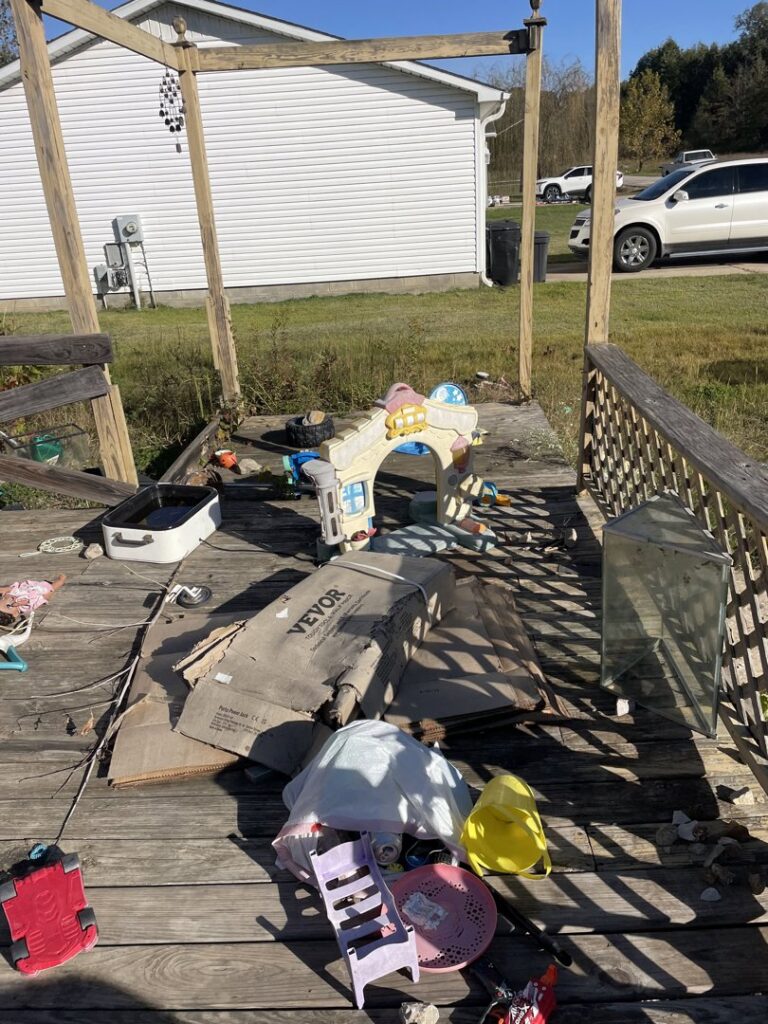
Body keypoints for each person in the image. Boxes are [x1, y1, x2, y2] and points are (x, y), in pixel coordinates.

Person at [0, 574, 66, 626]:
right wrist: (23, 602)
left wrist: (6, 590)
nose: (8, 602)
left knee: (5, 589)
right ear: (15, 614)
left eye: (1, 600)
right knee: (51, 588)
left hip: (28, 588)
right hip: (38, 594)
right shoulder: (23, 607)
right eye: (8, 606)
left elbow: (11, 590)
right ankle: (61, 580)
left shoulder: (9, 597)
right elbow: (32, 603)